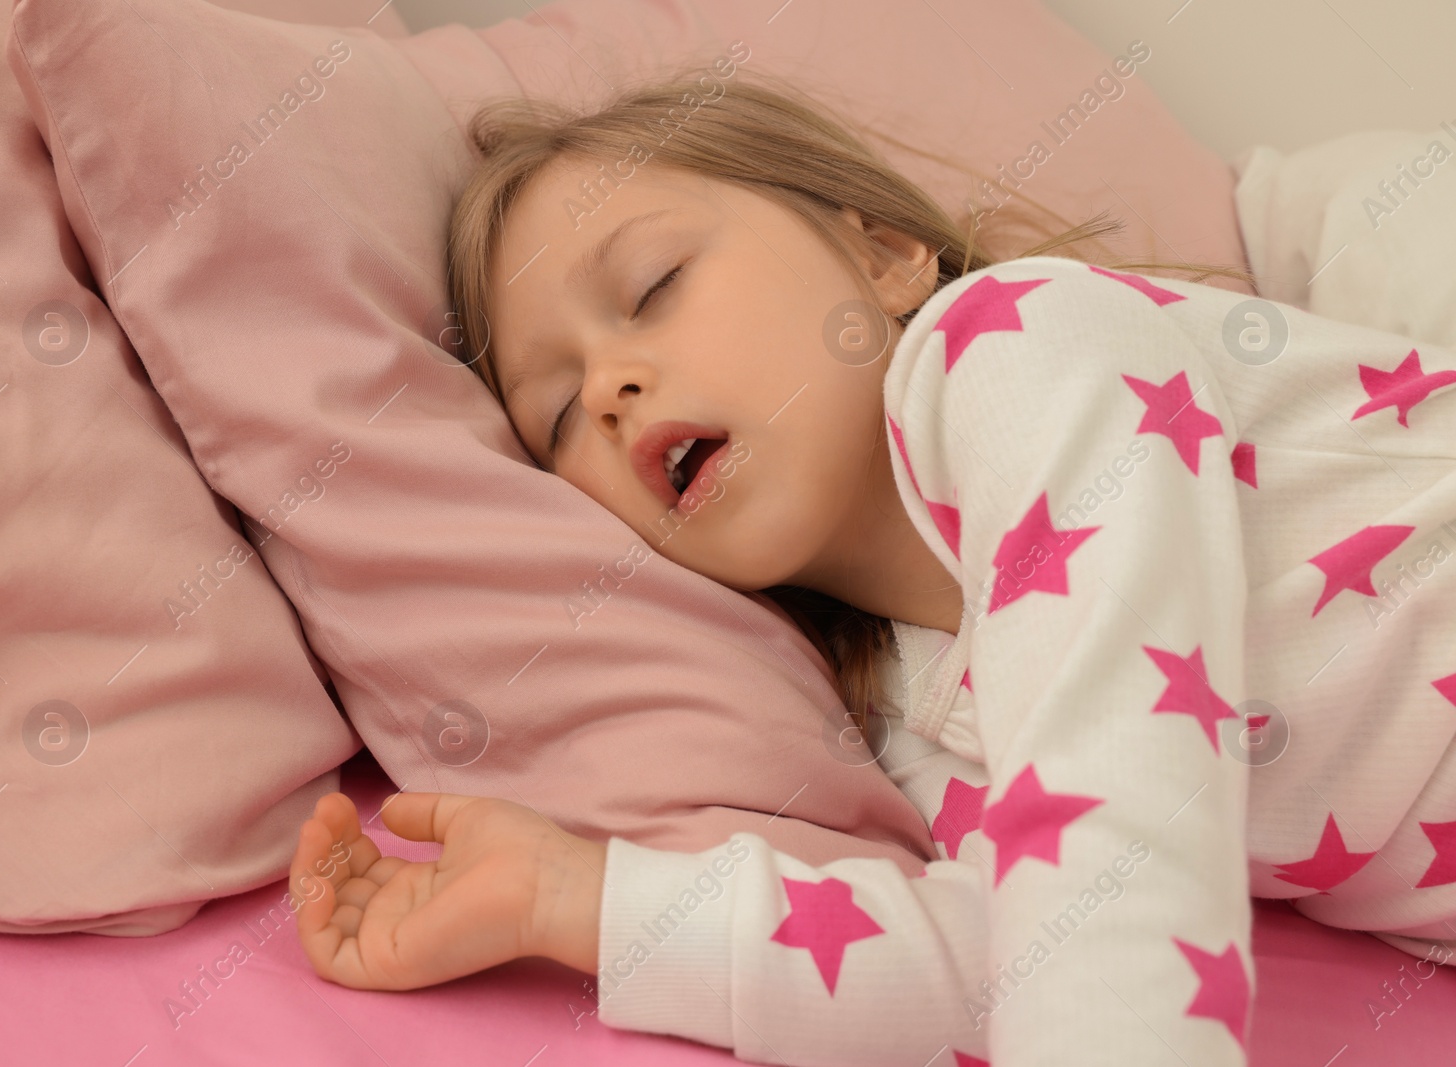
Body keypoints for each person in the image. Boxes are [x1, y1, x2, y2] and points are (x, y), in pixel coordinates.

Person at [287, 67, 1456, 1066]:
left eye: (651, 288)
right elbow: (1015, 950)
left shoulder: (1019, 342)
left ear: (885, 255)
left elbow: (1121, 808)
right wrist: (578, 899)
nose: (607, 387)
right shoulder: (901, 709)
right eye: (553, 419)